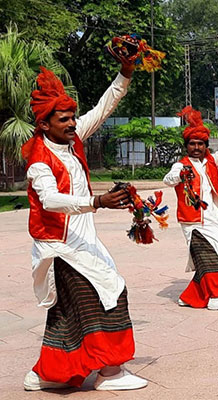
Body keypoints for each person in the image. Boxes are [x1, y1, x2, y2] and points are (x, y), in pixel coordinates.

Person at [22, 62, 148, 391]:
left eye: (72, 118)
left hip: (82, 242)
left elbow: (105, 105)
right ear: (44, 123)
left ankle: (46, 373)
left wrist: (126, 69)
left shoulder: (73, 141)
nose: (72, 124)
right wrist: (97, 202)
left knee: (70, 311)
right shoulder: (39, 160)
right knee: (108, 293)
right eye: (63, 119)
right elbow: (49, 200)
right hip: (60, 247)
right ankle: (110, 371)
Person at [163, 106, 218, 311]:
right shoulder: (181, 165)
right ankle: (216, 297)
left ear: (206, 145)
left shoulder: (211, 162)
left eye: (200, 144)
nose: (196, 147)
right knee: (210, 257)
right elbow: (168, 180)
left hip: (214, 218)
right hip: (193, 222)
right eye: (192, 144)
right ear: (186, 146)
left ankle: (190, 296)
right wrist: (180, 175)